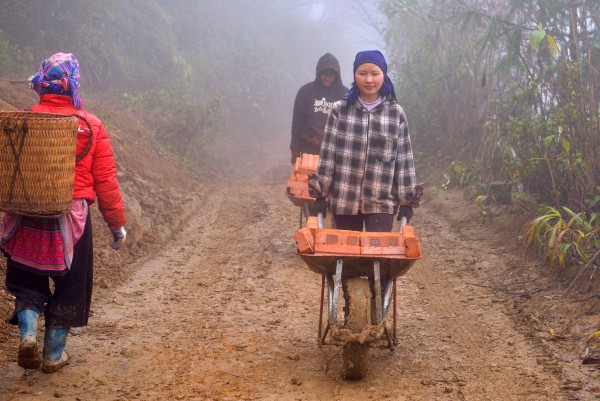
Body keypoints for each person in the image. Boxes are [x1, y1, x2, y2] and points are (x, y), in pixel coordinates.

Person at [0, 53, 127, 373]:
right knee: (72, 285)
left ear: (42, 83)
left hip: (26, 213)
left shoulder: (24, 119)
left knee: (27, 280)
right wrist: (117, 225)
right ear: (74, 85)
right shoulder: (90, 124)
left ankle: (28, 334)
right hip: (71, 220)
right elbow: (106, 181)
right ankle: (53, 354)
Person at [309, 50, 421, 232]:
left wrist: (406, 201)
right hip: (344, 199)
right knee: (346, 255)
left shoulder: (395, 113)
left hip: (381, 201)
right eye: (363, 73)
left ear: (383, 75)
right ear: (355, 76)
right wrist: (321, 195)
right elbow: (328, 156)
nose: (369, 80)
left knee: (376, 254)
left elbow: (404, 161)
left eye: (374, 74)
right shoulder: (340, 110)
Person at [290, 52, 348, 165]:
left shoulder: (345, 96)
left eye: (331, 74)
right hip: (309, 151)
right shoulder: (306, 92)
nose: (327, 77)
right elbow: (297, 123)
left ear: (337, 75)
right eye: (324, 74)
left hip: (335, 154)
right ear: (318, 73)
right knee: (306, 181)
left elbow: (349, 128)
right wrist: (295, 151)